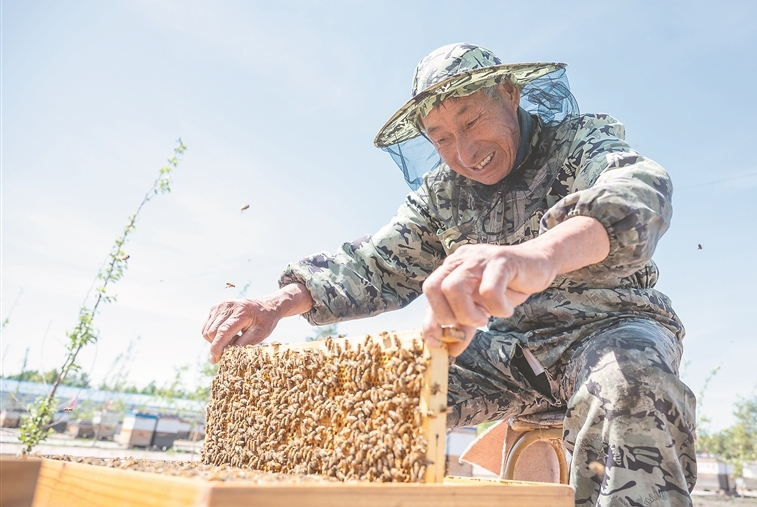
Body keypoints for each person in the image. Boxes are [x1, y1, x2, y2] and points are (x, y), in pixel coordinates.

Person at [202, 43, 696, 507]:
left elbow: (637, 191)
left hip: (611, 328)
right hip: (509, 356)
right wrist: (273, 304)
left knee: (631, 386)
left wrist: (538, 256)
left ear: (509, 94)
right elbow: (374, 264)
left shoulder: (576, 142)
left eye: (472, 120)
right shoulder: (441, 195)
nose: (464, 151)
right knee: (375, 392)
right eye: (441, 138)